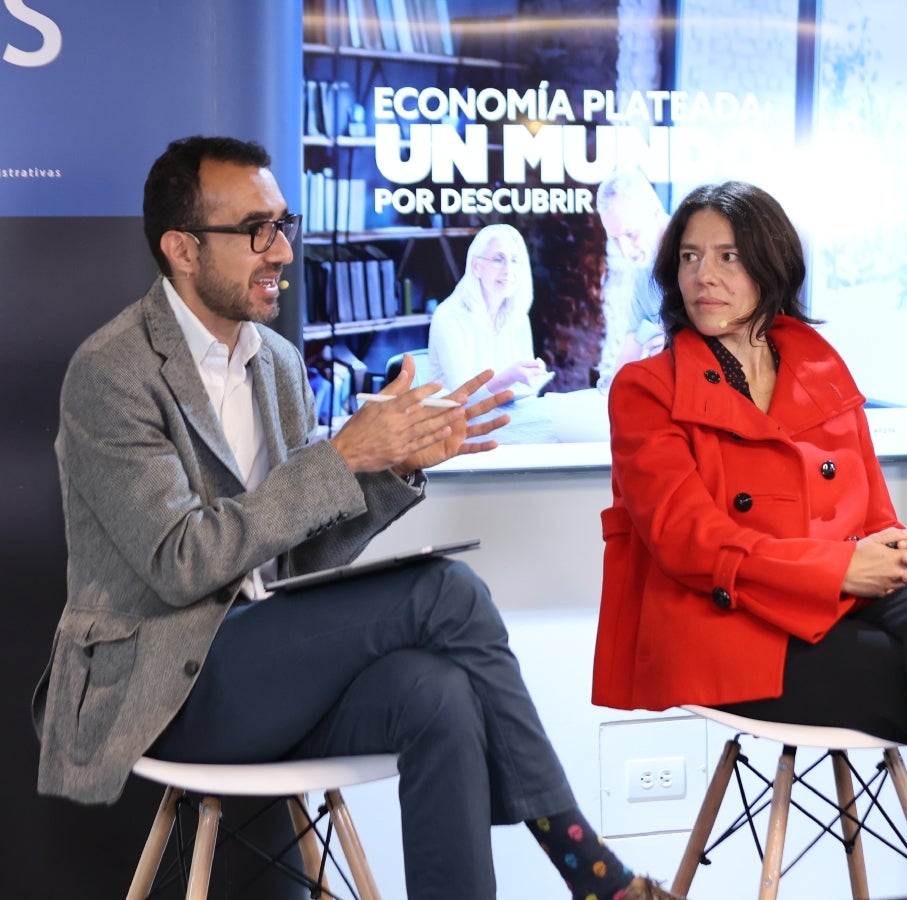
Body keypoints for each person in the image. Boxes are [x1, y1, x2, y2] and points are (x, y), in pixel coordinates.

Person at [30, 135, 681, 900]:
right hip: (160, 690)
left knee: (439, 695)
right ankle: (591, 869)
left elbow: (297, 560)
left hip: (266, 665)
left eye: (283, 224)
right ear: (182, 249)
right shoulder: (112, 373)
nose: (281, 250)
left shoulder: (275, 364)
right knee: (446, 591)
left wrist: (393, 468)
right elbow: (182, 563)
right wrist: (340, 458)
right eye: (255, 231)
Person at [592, 180, 907, 896]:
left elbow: (870, 511)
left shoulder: (818, 365)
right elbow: (688, 540)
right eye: (689, 256)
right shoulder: (646, 387)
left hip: (838, 603)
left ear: (771, 265)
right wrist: (841, 569)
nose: (703, 275)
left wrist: (899, 550)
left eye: (727, 256)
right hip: (729, 627)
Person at [427, 222, 550, 402]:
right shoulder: (448, 317)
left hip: (506, 415)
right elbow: (464, 395)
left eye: (515, 260)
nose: (508, 270)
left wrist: (532, 374)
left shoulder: (519, 316)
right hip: (455, 417)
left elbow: (528, 393)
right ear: (476, 267)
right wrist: (512, 376)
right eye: (498, 260)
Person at [595, 168, 670, 393]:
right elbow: (633, 344)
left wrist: (682, 342)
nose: (625, 251)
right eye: (615, 239)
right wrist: (613, 387)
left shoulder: (701, 255)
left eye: (630, 234)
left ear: (655, 212)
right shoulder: (643, 268)